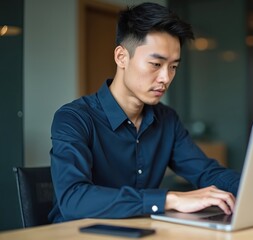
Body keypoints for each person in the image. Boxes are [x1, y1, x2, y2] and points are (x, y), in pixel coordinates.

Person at [48, 2, 240, 223]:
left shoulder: (167, 119)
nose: (166, 78)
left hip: (142, 231)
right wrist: (170, 199)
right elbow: (74, 200)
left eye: (173, 66)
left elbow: (207, 173)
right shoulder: (74, 118)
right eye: (156, 64)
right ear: (121, 57)